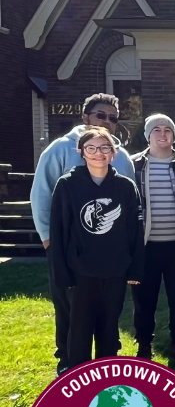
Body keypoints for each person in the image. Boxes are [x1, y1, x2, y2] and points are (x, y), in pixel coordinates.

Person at [31, 93, 136, 374]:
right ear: (86, 117)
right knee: (69, 309)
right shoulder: (59, 149)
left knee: (107, 312)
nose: (107, 122)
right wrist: (47, 238)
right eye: (101, 115)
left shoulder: (122, 156)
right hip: (67, 247)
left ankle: (106, 362)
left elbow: (130, 204)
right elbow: (41, 195)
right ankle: (68, 361)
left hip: (109, 253)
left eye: (113, 118)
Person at [48, 127, 144, 368]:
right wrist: (61, 272)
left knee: (109, 329)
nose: (98, 153)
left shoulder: (125, 187)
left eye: (104, 148)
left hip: (115, 270)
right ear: (82, 153)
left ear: (113, 153)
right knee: (79, 330)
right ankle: (78, 379)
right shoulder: (67, 185)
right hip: (80, 271)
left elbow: (135, 230)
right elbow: (58, 230)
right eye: (91, 148)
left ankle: (106, 381)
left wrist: (135, 269)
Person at [130, 114, 175, 363]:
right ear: (148, 135)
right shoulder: (132, 164)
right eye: (156, 129)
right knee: (144, 299)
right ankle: (144, 345)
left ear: (174, 135)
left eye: (167, 129)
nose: (162, 134)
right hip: (145, 247)